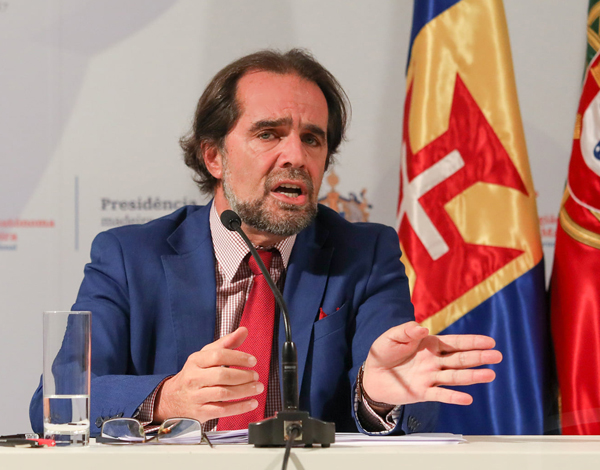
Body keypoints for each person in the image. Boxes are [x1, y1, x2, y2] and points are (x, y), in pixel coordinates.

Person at [30, 49, 501, 436]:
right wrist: (167, 398)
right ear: (214, 157)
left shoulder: (364, 255)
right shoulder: (129, 257)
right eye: (268, 134)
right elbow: (57, 402)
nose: (295, 155)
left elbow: (401, 390)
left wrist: (376, 395)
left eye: (312, 139)